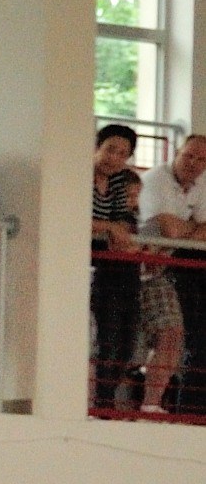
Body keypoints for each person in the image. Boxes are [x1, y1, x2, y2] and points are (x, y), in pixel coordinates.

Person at [134, 130, 206, 418]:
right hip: (141, 267)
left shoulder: (201, 184)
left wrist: (183, 231)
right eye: (189, 156)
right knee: (128, 340)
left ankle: (154, 405)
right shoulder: (155, 179)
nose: (193, 163)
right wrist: (192, 230)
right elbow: (169, 229)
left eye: (201, 159)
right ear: (176, 153)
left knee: (174, 334)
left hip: (170, 267)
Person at [87, 123, 148, 412]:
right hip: (91, 260)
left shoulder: (122, 180)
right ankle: (102, 401)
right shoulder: (81, 176)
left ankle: (110, 394)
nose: (115, 158)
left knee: (125, 339)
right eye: (110, 149)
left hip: (115, 262)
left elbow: (123, 218)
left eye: (123, 153)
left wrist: (118, 232)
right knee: (108, 336)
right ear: (97, 147)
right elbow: (75, 217)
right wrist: (109, 228)